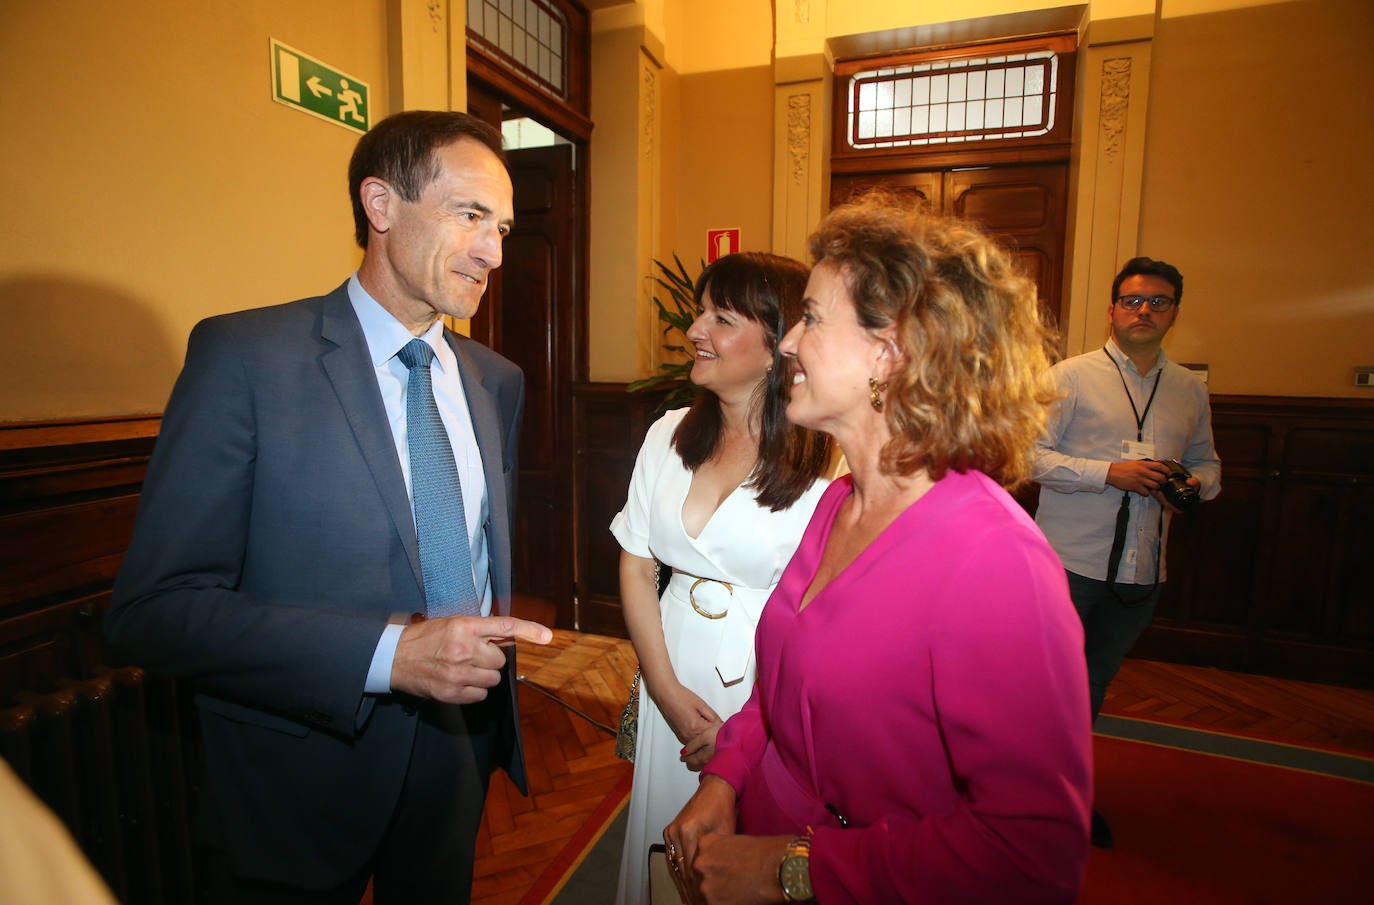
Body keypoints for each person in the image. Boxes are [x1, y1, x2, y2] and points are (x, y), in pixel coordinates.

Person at [105, 110, 553, 904]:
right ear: (380, 205)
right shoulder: (245, 359)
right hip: (300, 777)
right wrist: (390, 656)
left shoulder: (496, 379)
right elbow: (155, 611)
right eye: (470, 215)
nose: (493, 251)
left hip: (457, 758)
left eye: (505, 227)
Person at [664, 197, 1093, 905]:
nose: (792, 341)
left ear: (890, 354)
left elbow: (1031, 855)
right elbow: (779, 689)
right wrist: (726, 777)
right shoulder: (837, 504)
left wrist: (791, 869)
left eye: (812, 316)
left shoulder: (997, 563)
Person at [612, 252, 833, 905]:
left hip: (768, 682)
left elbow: (825, 616)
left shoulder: (828, 459)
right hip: (670, 662)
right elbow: (636, 560)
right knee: (662, 847)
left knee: (739, 862)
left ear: (777, 347)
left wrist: (750, 727)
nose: (695, 330)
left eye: (722, 317)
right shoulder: (666, 433)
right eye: (699, 310)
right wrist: (663, 685)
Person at [1032, 255, 1221, 848]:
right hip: (1069, 563)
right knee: (1051, 690)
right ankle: (1040, 802)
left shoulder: (1189, 387)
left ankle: (1061, 796)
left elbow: (1207, 463)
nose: (1144, 310)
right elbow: (1025, 455)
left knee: (1093, 686)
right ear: (1112, 310)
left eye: (1158, 302)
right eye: (1133, 300)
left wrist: (1194, 486)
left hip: (1142, 569)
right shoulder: (1070, 376)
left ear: (1174, 313)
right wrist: (1105, 473)